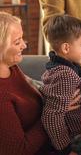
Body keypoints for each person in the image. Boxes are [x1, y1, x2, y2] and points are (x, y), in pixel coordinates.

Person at [40, 14, 81, 155]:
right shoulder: (65, 74)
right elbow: (51, 116)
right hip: (77, 138)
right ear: (66, 48)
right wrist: (65, 149)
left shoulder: (64, 66)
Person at [0, 11, 49, 155]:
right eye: (17, 42)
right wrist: (54, 113)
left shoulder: (12, 67)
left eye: (22, 39)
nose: (24, 45)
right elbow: (18, 151)